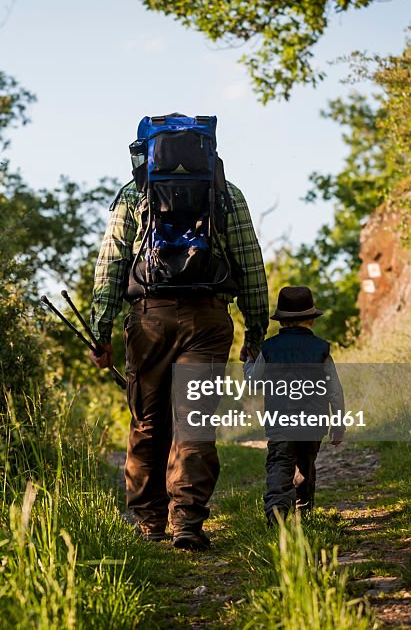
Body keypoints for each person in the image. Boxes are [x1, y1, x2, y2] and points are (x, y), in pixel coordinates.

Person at [88, 140, 268, 551]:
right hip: (207, 317)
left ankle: (149, 523)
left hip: (149, 317)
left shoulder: (135, 191)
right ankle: (187, 522)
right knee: (195, 422)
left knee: (147, 421)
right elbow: (250, 264)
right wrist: (256, 332)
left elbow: (111, 264)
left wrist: (101, 331)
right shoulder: (224, 192)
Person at [244, 285, 345, 524]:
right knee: (305, 464)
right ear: (311, 319)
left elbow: (253, 382)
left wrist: (248, 362)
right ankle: (304, 511)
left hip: (281, 422)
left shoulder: (269, 348)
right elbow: (334, 390)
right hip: (314, 421)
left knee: (280, 463)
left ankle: (278, 509)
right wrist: (338, 423)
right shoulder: (321, 348)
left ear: (282, 321)